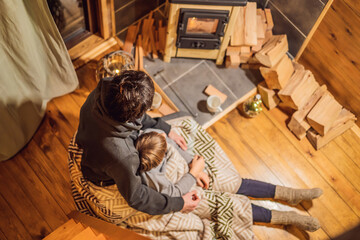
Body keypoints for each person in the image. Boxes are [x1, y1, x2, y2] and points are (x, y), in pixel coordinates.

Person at [135, 130, 323, 232]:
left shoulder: (153, 134)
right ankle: (285, 218)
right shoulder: (152, 176)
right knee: (228, 206)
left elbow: (173, 146)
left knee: (230, 181)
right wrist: (192, 175)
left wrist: (194, 165)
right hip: (183, 191)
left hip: (191, 170)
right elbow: (173, 194)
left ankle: (289, 194)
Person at [75, 70, 201, 215]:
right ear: (131, 118)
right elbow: (136, 197)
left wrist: (165, 128)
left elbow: (138, 117)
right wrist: (178, 203)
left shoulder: (108, 87)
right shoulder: (124, 156)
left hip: (89, 138)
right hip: (100, 174)